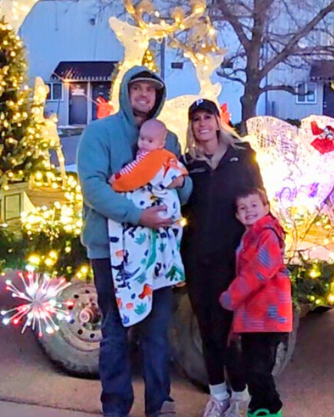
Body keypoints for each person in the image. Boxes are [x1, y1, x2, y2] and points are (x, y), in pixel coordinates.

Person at [77, 66, 192, 417]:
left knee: (157, 332)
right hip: (111, 251)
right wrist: (137, 215)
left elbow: (183, 185)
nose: (144, 95)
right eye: (137, 88)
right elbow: (93, 187)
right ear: (125, 92)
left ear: (158, 96)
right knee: (116, 330)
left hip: (157, 250)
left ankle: (159, 404)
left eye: (150, 90)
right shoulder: (100, 133)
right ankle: (115, 407)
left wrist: (181, 183)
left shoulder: (168, 138)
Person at [183, 98, 264, 417]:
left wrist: (264, 240)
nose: (202, 124)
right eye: (196, 119)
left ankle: (240, 394)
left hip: (235, 258)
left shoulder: (242, 154)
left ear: (218, 121)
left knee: (231, 330)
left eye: (207, 117)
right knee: (207, 328)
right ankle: (217, 394)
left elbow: (259, 199)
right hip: (198, 257)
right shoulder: (187, 164)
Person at [107, 118, 189, 329]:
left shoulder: (152, 159)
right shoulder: (159, 156)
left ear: (161, 143)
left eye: (149, 140)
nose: (143, 143)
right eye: (142, 138)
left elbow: (133, 175)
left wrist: (116, 180)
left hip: (160, 204)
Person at [220, 188, 292, 417]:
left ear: (266, 208)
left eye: (254, 205)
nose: (249, 211)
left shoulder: (267, 234)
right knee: (251, 366)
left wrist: (232, 296)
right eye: (243, 208)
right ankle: (258, 409)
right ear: (237, 215)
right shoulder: (250, 236)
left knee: (259, 368)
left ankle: (271, 408)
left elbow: (259, 271)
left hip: (268, 315)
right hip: (254, 317)